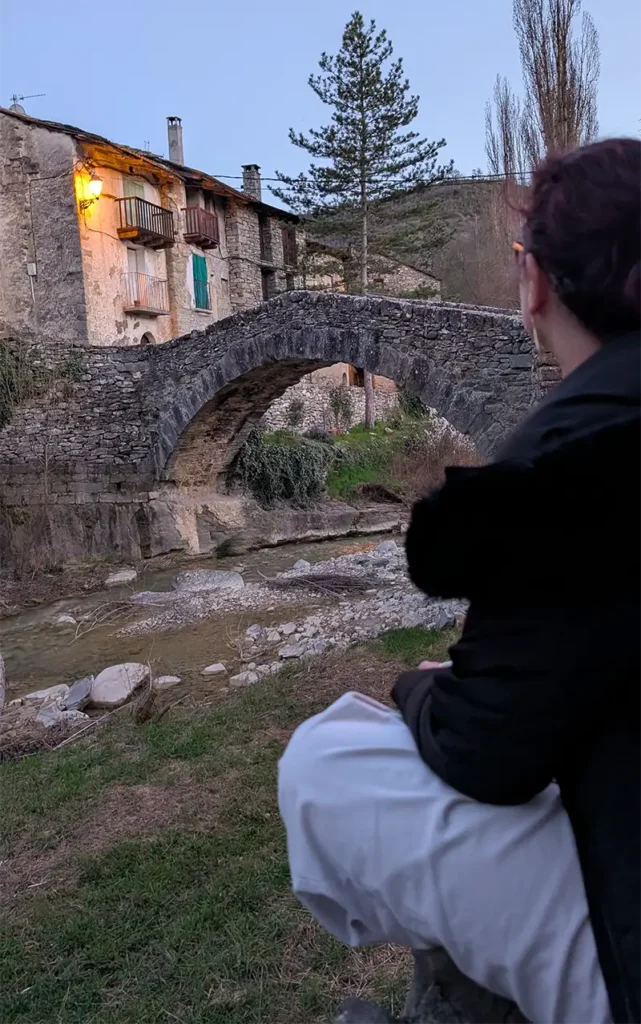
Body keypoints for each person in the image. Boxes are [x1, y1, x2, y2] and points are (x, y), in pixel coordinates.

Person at [279, 138, 641, 1024]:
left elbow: (487, 753)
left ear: (534, 283)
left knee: (325, 758)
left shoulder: (575, 457)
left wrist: (416, 689)